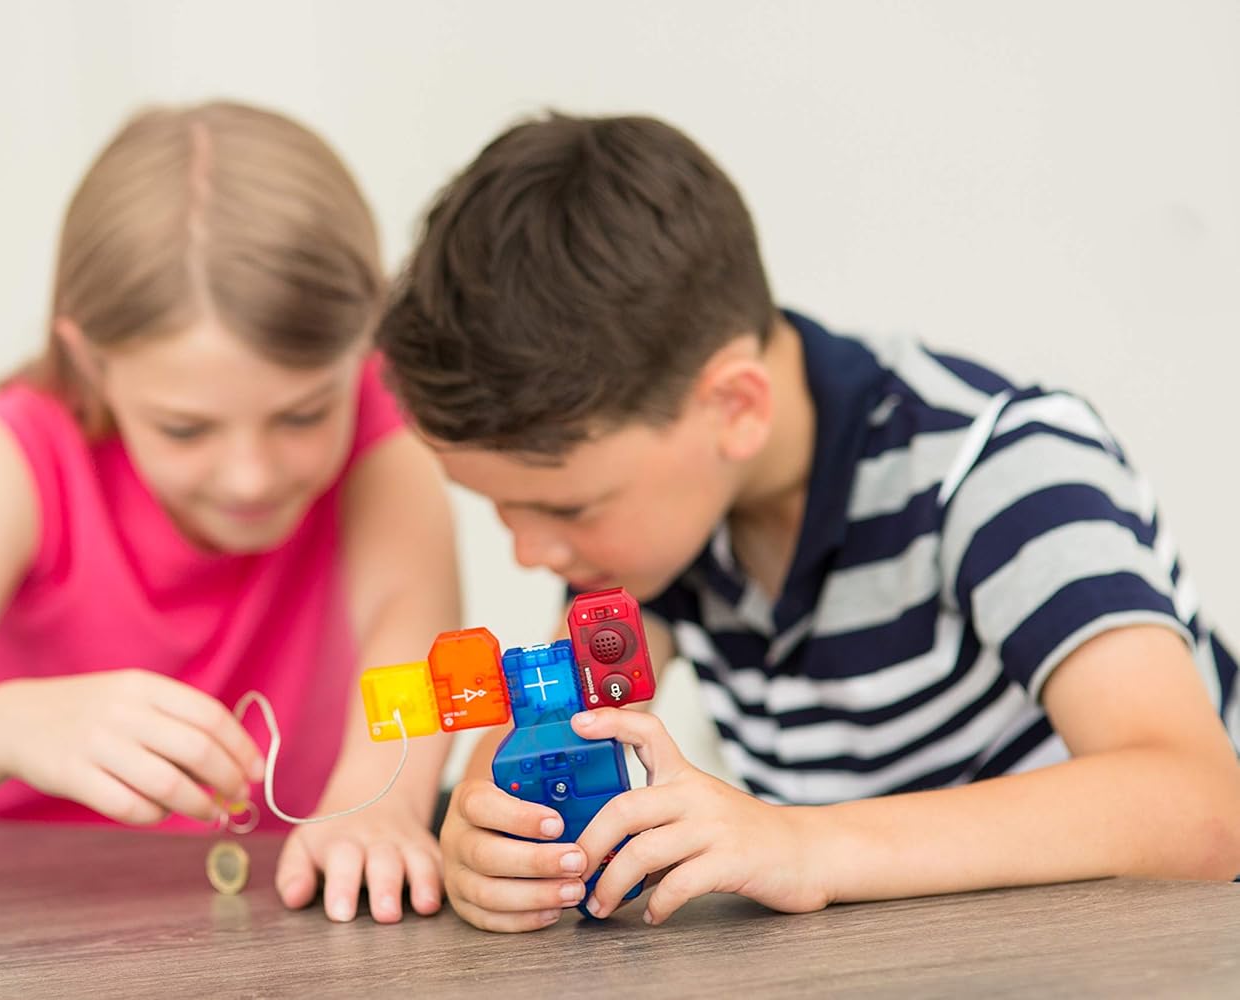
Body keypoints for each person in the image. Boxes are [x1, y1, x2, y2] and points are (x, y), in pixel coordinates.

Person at [374, 112, 1240, 932]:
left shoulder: (998, 469)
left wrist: (801, 840)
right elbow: (537, 739)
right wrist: (486, 835)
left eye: (565, 506)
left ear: (735, 408)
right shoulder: (655, 532)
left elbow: (1198, 808)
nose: (530, 552)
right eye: (501, 508)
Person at [0, 101, 457, 925]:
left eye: (301, 415)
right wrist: (4, 724)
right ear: (90, 362)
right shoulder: (15, 459)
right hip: (25, 929)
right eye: (185, 428)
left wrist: (376, 800)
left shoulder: (376, 429)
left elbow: (413, 640)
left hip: (279, 920)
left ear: (364, 346)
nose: (250, 477)